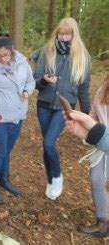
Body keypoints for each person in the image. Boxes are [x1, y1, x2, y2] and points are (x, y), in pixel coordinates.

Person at [33, 17, 91, 200]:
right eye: (61, 33)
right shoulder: (46, 52)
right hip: (43, 105)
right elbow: (35, 81)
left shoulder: (83, 57)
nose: (64, 37)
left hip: (63, 107)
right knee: (46, 144)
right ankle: (50, 180)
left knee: (49, 143)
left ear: (74, 35)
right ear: (56, 33)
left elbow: (83, 89)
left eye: (67, 34)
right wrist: (44, 80)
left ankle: (57, 177)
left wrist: (88, 115)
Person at [0, 33, 36, 204]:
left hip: (17, 116)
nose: (2, 59)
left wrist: (26, 91)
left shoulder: (22, 63)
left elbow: (30, 82)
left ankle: (4, 179)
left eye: (5, 55)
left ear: (12, 51)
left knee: (7, 151)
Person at [66, 75, 109, 237]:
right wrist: (85, 125)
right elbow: (93, 112)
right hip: (101, 144)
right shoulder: (104, 87)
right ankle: (103, 223)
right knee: (97, 181)